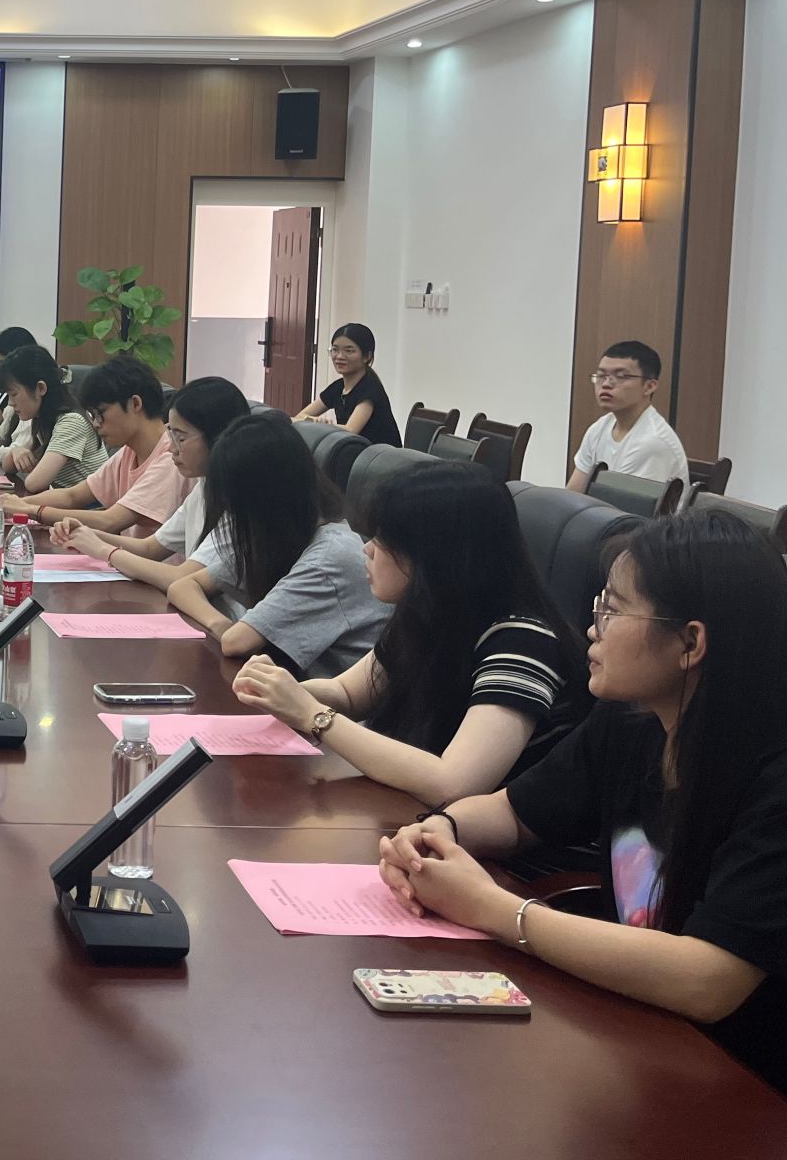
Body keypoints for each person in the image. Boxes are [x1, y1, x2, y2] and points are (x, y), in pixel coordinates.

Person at [378, 509, 787, 1095]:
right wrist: (438, 832)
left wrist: (495, 910)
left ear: (690, 642)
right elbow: (515, 813)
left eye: (613, 610)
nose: (591, 627)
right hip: (633, 1038)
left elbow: (710, 980)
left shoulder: (773, 777)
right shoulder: (633, 721)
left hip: (741, 1084)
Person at [232, 462, 588, 806]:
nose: (367, 549)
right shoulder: (432, 615)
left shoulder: (524, 643)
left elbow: (454, 785)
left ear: (435, 555)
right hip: (417, 818)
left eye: (384, 539)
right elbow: (348, 694)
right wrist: (281, 692)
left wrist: (313, 716)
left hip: (492, 844)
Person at [165, 415, 389, 674]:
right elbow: (182, 587)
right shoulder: (281, 535)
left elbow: (237, 642)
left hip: (326, 693)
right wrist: (219, 624)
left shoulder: (331, 556)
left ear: (263, 499)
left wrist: (228, 630)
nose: (232, 515)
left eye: (236, 504)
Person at [50, 375, 250, 594]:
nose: (172, 448)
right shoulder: (204, 487)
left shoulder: (240, 503)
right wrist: (87, 534)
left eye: (181, 438)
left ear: (219, 436)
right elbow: (149, 548)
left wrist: (104, 551)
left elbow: (183, 578)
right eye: (171, 434)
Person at [7, 354, 190, 538]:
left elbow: (109, 521)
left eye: (100, 413)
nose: (95, 424)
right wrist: (14, 504)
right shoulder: (128, 452)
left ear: (135, 404)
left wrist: (30, 510)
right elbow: (73, 496)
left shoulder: (171, 458)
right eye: (92, 415)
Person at [567, 339, 689, 492]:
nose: (606, 384)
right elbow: (572, 493)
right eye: (601, 376)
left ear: (649, 386)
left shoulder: (653, 442)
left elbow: (626, 506)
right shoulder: (599, 428)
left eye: (621, 376)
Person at [0, 344, 102, 493]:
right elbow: (7, 467)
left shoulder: (71, 422)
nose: (10, 403)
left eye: (14, 394)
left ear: (41, 388)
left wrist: (17, 454)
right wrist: (15, 452)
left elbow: (34, 483)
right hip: (67, 502)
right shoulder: (43, 418)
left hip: (91, 505)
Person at [296, 323, 401, 447]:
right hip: (353, 451)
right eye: (335, 350)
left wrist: (321, 425)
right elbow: (297, 417)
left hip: (379, 456)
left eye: (349, 351)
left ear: (367, 356)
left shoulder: (371, 389)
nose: (339, 356)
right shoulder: (338, 387)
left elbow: (351, 431)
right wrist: (313, 420)